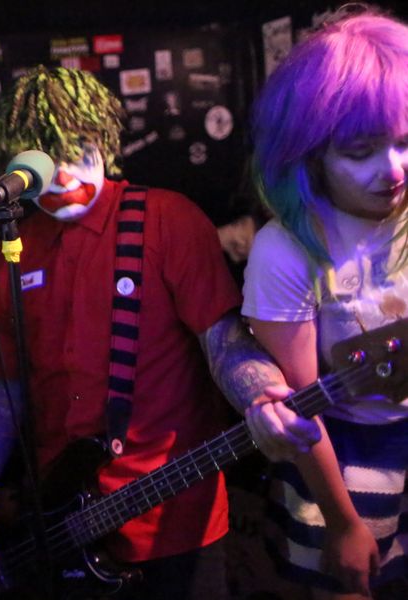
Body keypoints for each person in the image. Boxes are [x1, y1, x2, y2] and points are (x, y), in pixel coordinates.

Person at [0, 66, 318, 600]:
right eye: (47, 157)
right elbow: (4, 387)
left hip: (175, 521)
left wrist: (260, 395)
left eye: (79, 150)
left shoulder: (167, 220)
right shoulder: (13, 248)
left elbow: (223, 341)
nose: (65, 174)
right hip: (63, 525)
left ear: (103, 140)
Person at [243, 5, 408, 598]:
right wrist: (341, 523)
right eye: (361, 151)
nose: (394, 170)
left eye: (405, 142)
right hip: (345, 457)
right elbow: (301, 409)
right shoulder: (285, 249)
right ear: (310, 153)